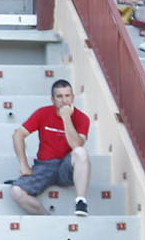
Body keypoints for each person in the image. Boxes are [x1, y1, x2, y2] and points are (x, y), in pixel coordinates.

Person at [10, 79, 91, 217]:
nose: (64, 101)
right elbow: (18, 134)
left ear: (73, 97)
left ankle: (81, 201)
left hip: (67, 167)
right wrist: (24, 164)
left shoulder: (82, 118)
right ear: (52, 99)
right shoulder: (43, 113)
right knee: (16, 192)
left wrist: (66, 118)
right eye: (59, 96)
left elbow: (76, 145)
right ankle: (46, 217)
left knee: (81, 152)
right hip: (45, 166)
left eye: (67, 96)